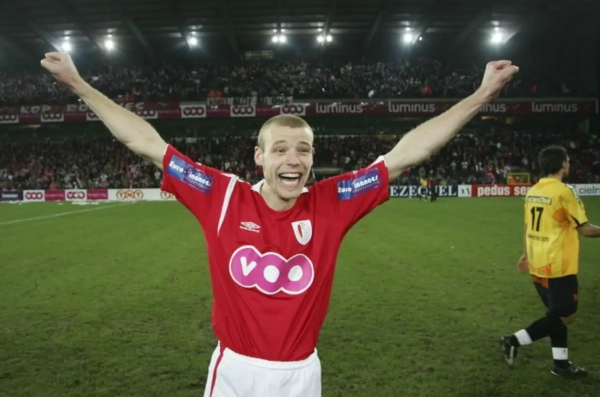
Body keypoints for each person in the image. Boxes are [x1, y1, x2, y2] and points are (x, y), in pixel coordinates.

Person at [41, 52, 518, 397]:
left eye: (303, 150)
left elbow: (407, 155)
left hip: (301, 375)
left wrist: (482, 95)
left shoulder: (333, 202)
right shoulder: (222, 196)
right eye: (281, 149)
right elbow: (146, 143)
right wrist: (78, 84)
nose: (293, 159)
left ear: (312, 157)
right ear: (260, 157)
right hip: (235, 372)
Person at [500, 145, 600, 378]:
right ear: (563, 164)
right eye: (568, 160)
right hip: (558, 266)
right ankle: (513, 341)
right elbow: (584, 229)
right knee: (566, 315)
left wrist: (525, 254)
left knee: (555, 315)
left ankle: (561, 365)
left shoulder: (534, 190)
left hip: (538, 263)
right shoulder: (564, 192)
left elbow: (527, 226)